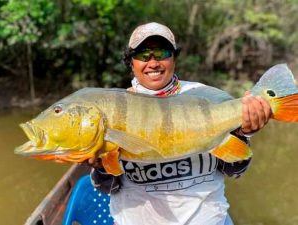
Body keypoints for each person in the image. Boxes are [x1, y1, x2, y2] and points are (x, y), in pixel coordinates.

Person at [88, 22, 271, 225]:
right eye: (143, 54)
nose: (153, 62)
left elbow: (235, 170)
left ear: (174, 58)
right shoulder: (114, 109)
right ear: (131, 62)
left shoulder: (203, 97)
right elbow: (107, 187)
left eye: (162, 53)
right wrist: (101, 165)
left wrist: (244, 133)